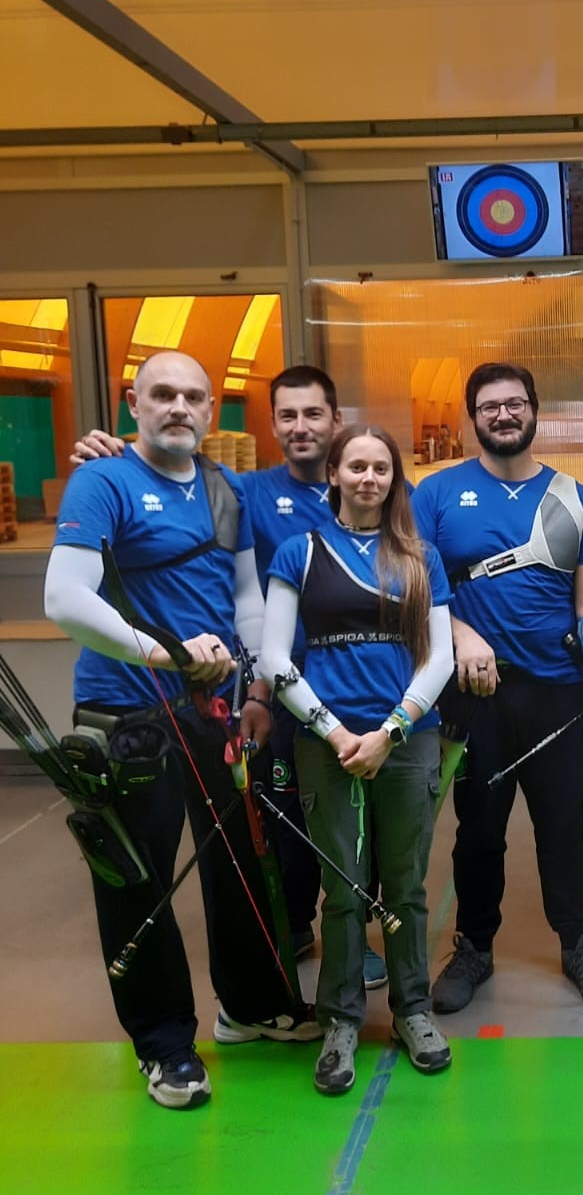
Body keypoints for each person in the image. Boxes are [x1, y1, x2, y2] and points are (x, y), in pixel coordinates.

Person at [44, 350, 319, 1111]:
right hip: (128, 716)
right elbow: (65, 598)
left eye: (194, 397)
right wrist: (164, 654)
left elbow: (246, 599)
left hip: (215, 710)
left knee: (238, 857)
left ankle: (252, 1006)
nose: (179, 407)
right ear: (135, 404)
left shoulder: (224, 490)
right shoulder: (102, 480)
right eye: (162, 394)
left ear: (210, 410)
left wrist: (255, 676)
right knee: (138, 883)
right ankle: (164, 1045)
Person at [71, 366, 392, 991]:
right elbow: (164, 473)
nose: (301, 427)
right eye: (287, 416)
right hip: (270, 695)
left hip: (354, 688)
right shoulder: (238, 490)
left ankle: (348, 935)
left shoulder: (372, 491)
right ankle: (292, 931)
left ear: (335, 421)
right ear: (270, 424)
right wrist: (105, 452)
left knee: (355, 822)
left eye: (314, 414)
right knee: (279, 828)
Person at [411, 363, 583, 1010]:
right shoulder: (435, 494)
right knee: (478, 829)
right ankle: (474, 948)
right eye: (490, 406)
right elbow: (416, 588)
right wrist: (461, 636)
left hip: (557, 691)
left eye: (515, 403)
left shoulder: (573, 497)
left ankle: (574, 941)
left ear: (534, 410)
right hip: (473, 697)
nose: (504, 415)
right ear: (473, 418)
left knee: (562, 828)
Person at [261, 424, 455, 1095]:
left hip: (406, 742)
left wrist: (392, 731)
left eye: (381, 467)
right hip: (326, 745)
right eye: (357, 466)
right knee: (343, 890)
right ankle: (340, 1019)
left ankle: (414, 1010)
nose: (369, 477)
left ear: (393, 479)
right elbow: (274, 659)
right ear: (335, 475)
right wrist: (335, 732)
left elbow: (440, 659)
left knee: (404, 885)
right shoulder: (300, 551)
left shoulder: (419, 555)